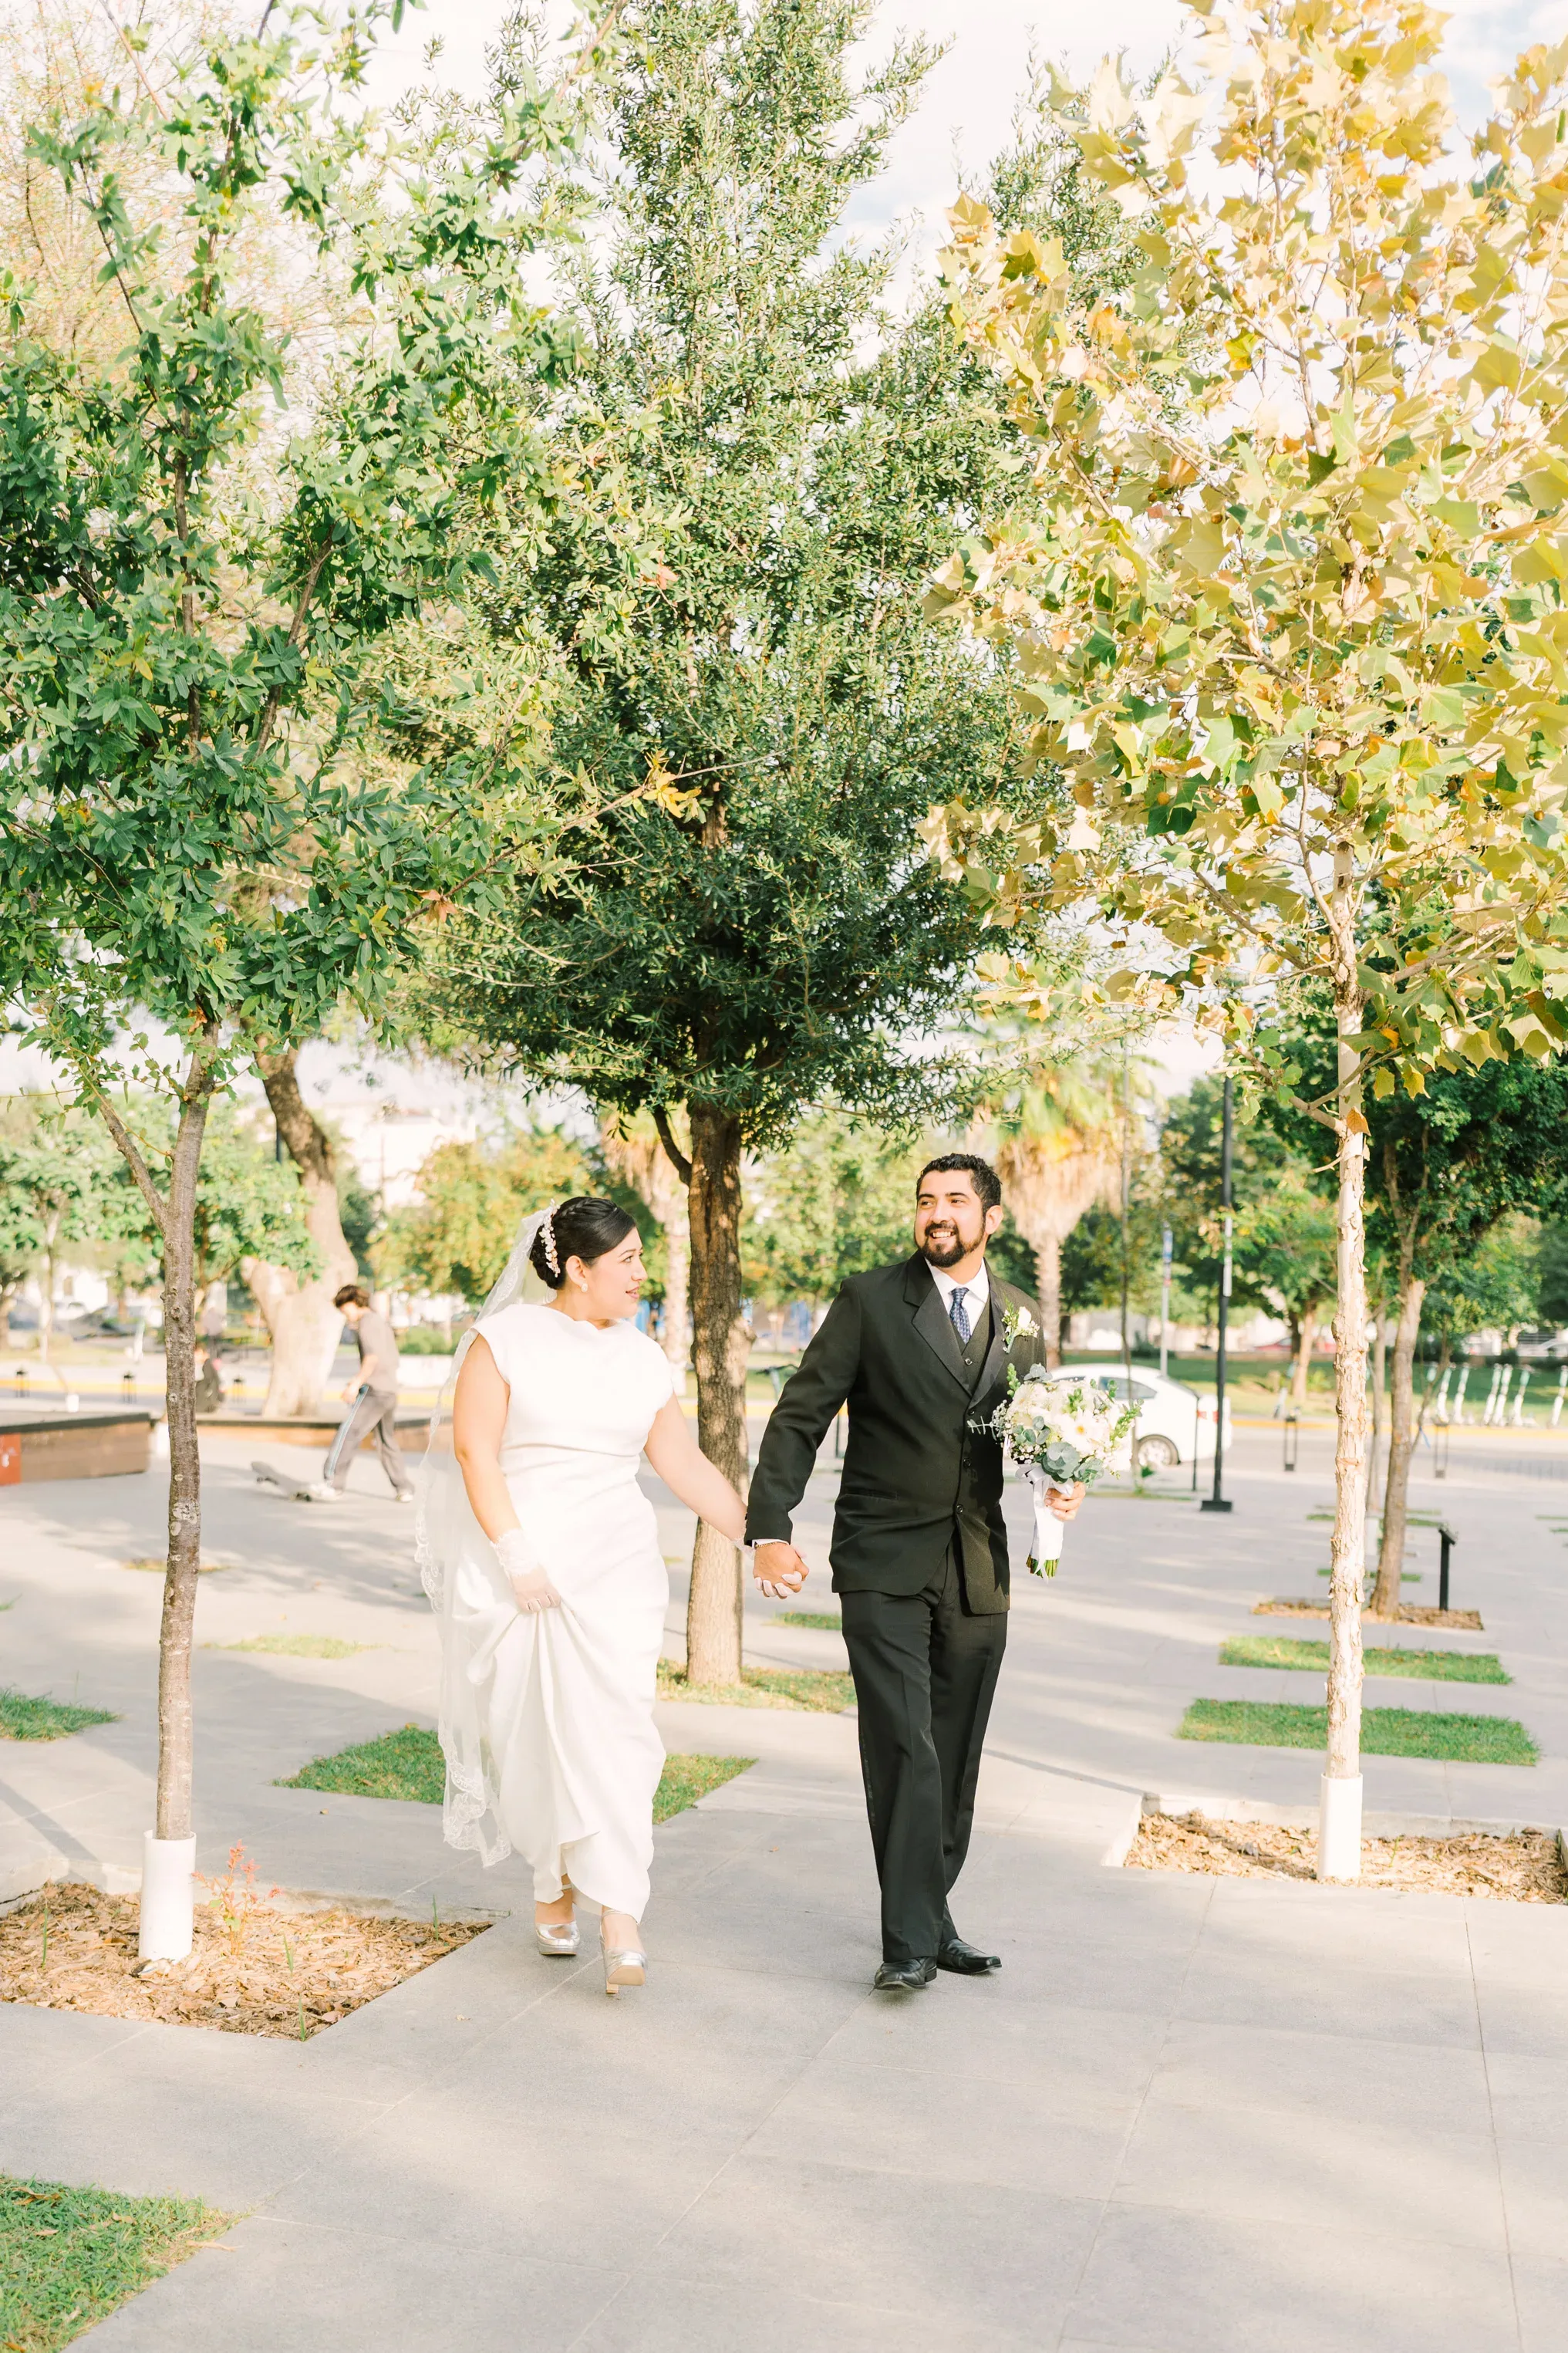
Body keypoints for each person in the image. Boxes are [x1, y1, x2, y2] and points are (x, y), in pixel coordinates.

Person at [746, 1153, 1084, 1993]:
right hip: (880, 1555)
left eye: (955, 1200)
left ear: (990, 1218)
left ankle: (932, 1914)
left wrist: (1059, 1476)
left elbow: (1033, 1423)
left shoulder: (1019, 1315)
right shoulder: (869, 1299)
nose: (936, 1213)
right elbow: (800, 1415)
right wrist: (769, 1529)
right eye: (925, 1200)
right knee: (905, 1742)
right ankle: (905, 1940)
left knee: (957, 1750)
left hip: (976, 1561)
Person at [420, 1197, 766, 1996]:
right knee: (535, 1736)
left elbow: (682, 1463)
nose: (642, 1274)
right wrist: (517, 1556)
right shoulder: (501, 1341)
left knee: (614, 1733)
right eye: (629, 1261)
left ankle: (619, 1914)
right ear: (577, 1268)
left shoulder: (643, 1357)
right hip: (523, 1565)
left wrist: (757, 1535)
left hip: (614, 1567)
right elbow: (476, 1453)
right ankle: (551, 1879)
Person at [309, 1285, 414, 1504]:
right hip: (390, 1389)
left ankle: (332, 1484)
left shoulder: (367, 1323)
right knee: (386, 1441)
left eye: (344, 1309)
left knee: (348, 1434)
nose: (344, 1314)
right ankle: (404, 1487)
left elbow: (372, 1358)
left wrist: (355, 1384)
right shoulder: (379, 1321)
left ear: (354, 1302)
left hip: (375, 1391)